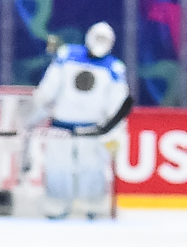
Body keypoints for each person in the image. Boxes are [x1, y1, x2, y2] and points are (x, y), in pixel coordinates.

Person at [29, 21, 131, 220]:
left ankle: (92, 206)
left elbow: (117, 102)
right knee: (57, 166)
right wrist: (40, 102)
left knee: (92, 168)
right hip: (61, 124)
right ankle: (56, 205)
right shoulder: (67, 56)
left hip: (93, 129)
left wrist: (116, 129)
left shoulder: (114, 68)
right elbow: (50, 86)